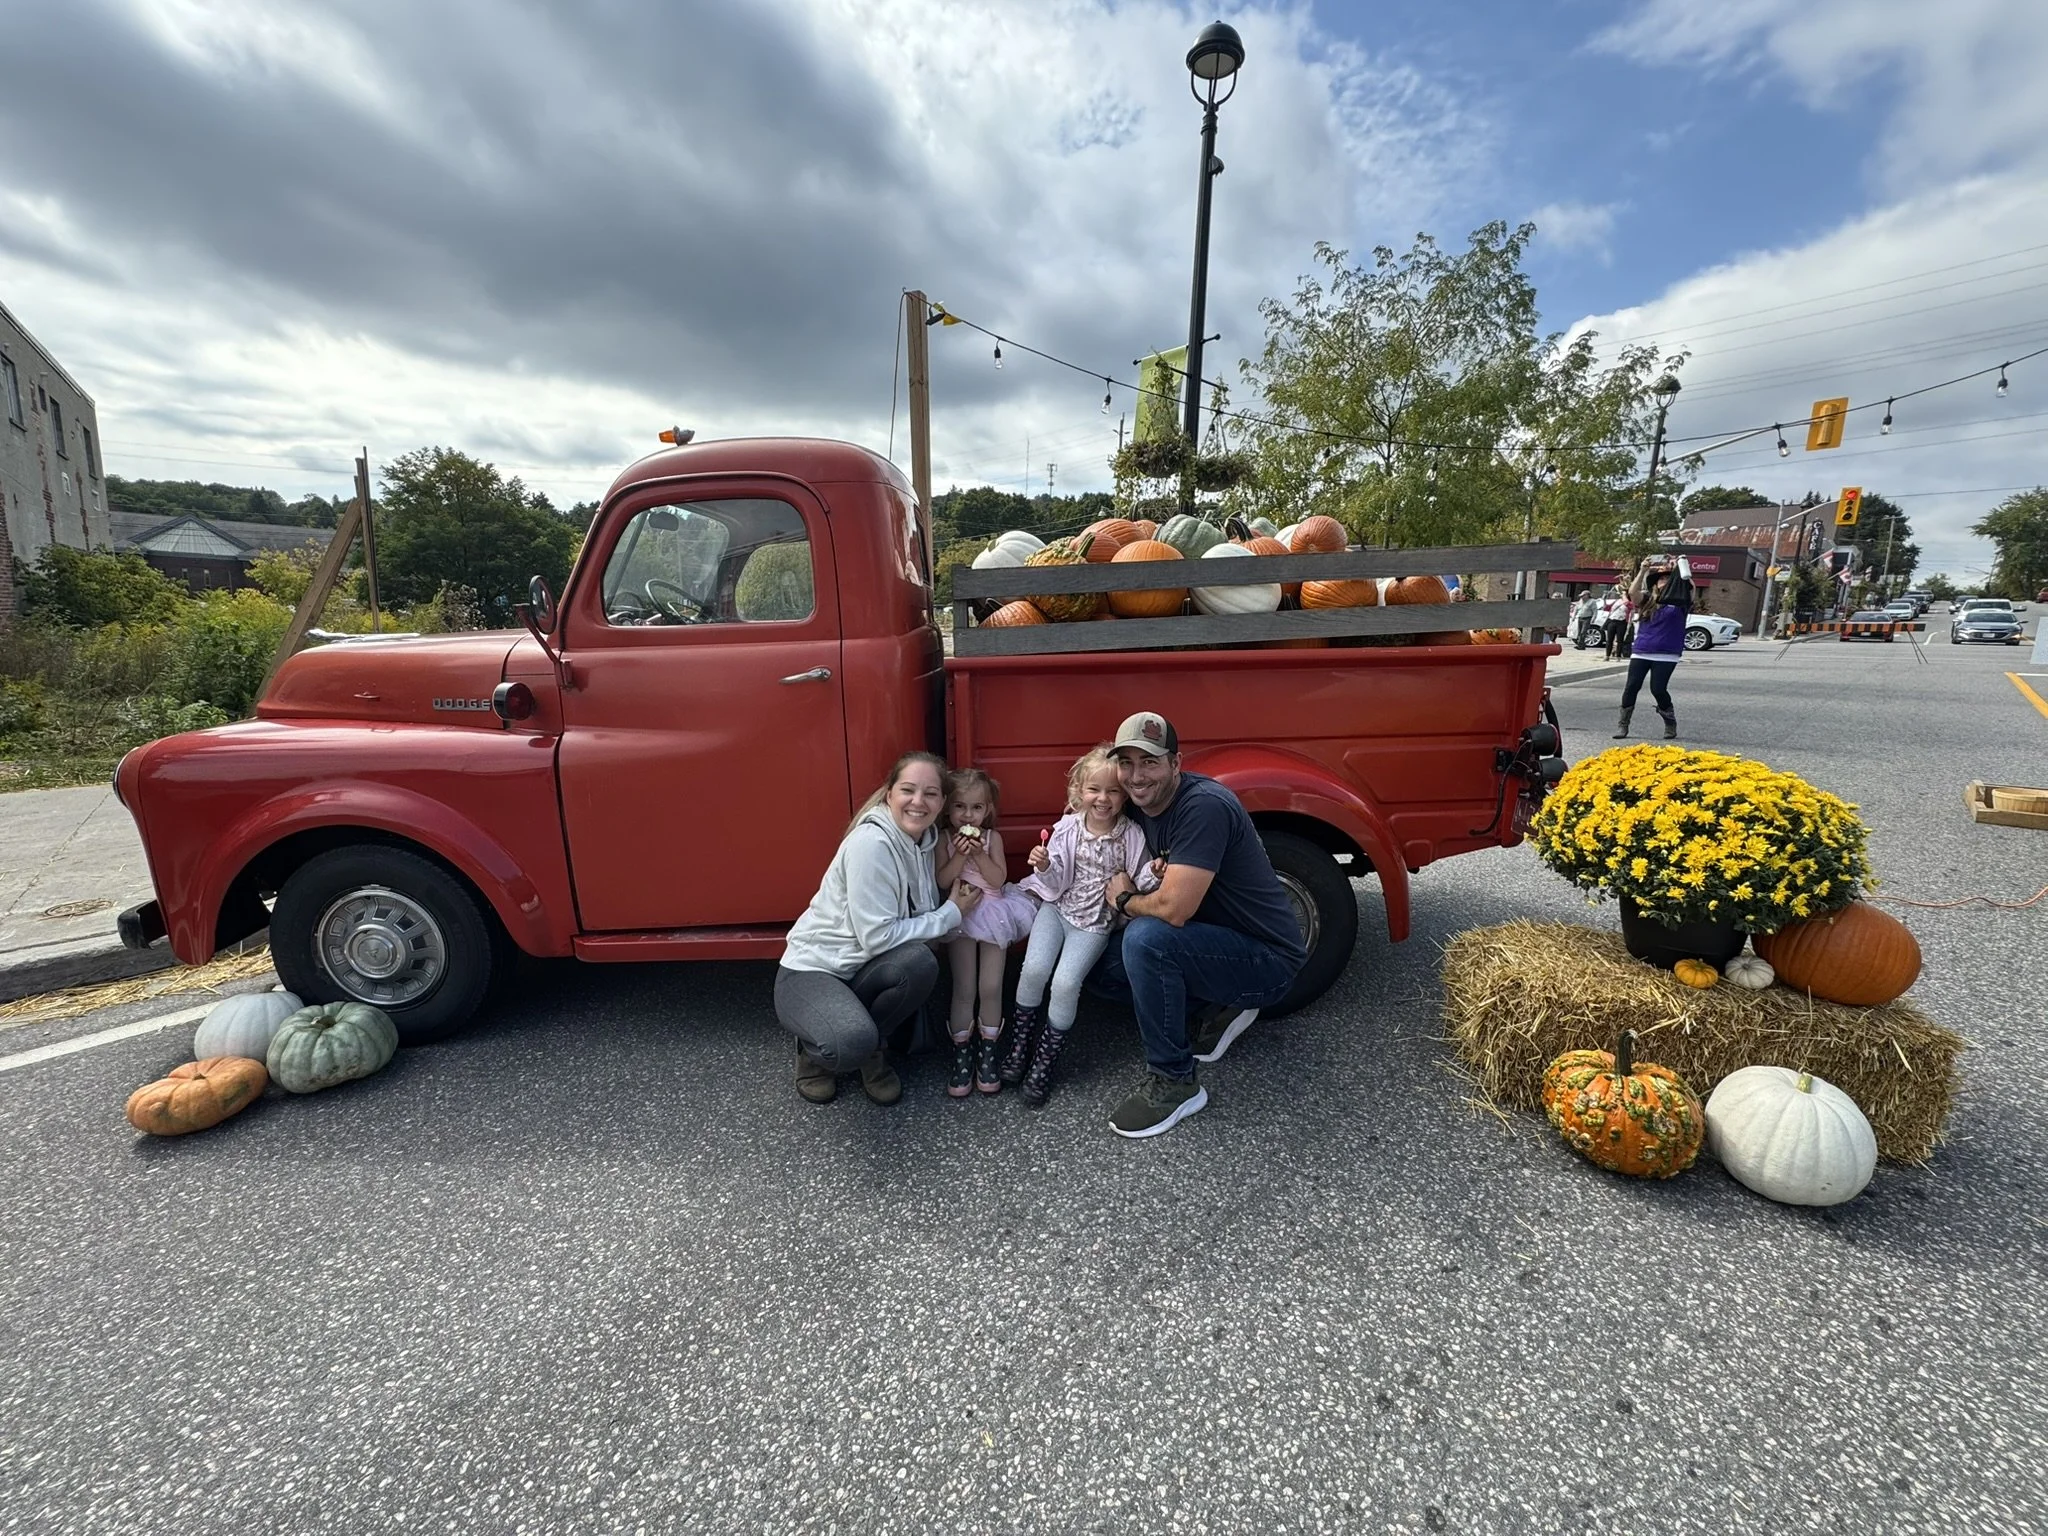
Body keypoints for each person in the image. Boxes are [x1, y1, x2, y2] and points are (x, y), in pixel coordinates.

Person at [1087, 711, 1307, 1139]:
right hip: (1212, 940)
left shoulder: (1203, 806)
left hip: (1267, 960)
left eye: (1150, 762)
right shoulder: (1137, 801)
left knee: (1146, 940)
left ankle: (1175, 1081)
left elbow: (1173, 911)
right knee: (1098, 967)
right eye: (1127, 762)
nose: (1136, 775)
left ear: (1176, 764)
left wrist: (1125, 899)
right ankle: (1215, 1007)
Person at [774, 751, 983, 1105]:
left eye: (931, 793)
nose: (918, 801)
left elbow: (916, 926)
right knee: (849, 1042)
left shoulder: (924, 842)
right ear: (889, 794)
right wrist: (952, 912)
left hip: (861, 967)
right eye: (908, 790)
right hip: (813, 971)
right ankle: (814, 1053)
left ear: (942, 802)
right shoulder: (871, 845)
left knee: (919, 963)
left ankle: (873, 1048)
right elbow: (878, 938)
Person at [1006, 746, 1161, 1107]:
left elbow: (1138, 877)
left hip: (1093, 923)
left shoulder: (1131, 836)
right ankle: (1019, 1045)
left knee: (1065, 983)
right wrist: (1044, 866)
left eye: (1112, 791)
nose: (1103, 799)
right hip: (1056, 909)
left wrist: (1152, 875)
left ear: (1124, 796)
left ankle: (1044, 1062)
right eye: (1094, 789)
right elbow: (1057, 879)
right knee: (1034, 970)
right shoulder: (1067, 828)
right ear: (1079, 790)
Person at [935, 768, 1038, 1097]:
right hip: (961, 913)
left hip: (993, 913)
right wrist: (960, 854)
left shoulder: (993, 839)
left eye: (977, 808)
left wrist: (978, 853)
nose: (968, 815)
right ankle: (962, 1052)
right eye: (960, 807)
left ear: (988, 810)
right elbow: (942, 880)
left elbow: (997, 879)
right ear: (948, 809)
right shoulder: (943, 840)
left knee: (990, 985)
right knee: (964, 986)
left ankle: (989, 1051)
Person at [1614, 557, 1691, 740]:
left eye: (1668, 578)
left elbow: (1690, 584)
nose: (1664, 581)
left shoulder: (1682, 601)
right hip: (1642, 650)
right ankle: (1623, 725)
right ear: (1656, 583)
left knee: (1658, 689)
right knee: (1631, 686)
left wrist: (1681, 565)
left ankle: (1670, 721)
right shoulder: (1648, 600)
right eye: (1661, 579)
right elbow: (1633, 593)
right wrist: (1642, 570)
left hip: (1667, 653)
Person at [1599, 585, 1631, 660]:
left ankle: (1618, 656)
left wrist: (1624, 595)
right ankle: (1607, 655)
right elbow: (1607, 608)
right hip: (1612, 621)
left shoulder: (1629, 602)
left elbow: (1627, 604)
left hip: (1622, 622)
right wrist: (1604, 600)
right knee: (1609, 639)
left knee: (1620, 640)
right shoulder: (1616, 601)